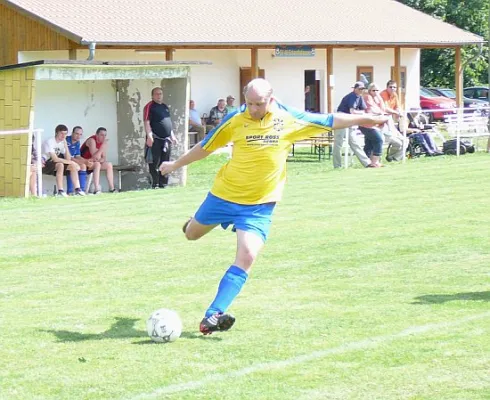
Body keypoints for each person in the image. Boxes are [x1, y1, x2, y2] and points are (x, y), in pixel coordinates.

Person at [159, 78, 388, 335]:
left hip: (259, 205)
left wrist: (363, 118)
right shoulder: (235, 119)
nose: (254, 109)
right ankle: (193, 222)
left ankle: (212, 315)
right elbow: (206, 146)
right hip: (224, 195)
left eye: (259, 104)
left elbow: (328, 121)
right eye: (249, 104)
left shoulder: (287, 118)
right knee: (191, 235)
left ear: (271, 99)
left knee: (247, 256)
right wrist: (175, 164)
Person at [333, 82, 373, 168]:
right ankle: (337, 166)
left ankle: (367, 163)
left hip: (349, 121)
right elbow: (352, 111)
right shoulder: (352, 96)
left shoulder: (360, 97)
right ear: (354, 89)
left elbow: (365, 110)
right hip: (341, 119)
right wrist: (362, 113)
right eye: (360, 89)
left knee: (354, 143)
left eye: (363, 89)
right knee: (338, 144)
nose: (361, 90)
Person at [143, 87, 177, 188]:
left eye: (161, 94)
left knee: (165, 162)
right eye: (157, 94)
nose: (159, 96)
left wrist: (172, 136)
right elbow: (146, 122)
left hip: (166, 139)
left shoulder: (165, 106)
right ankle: (155, 184)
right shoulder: (149, 106)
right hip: (155, 138)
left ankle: (163, 184)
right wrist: (149, 136)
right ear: (152, 96)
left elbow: (168, 123)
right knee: (154, 162)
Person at [41, 124, 85, 197]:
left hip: (54, 163)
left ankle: (77, 189)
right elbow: (55, 159)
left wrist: (65, 145)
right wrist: (72, 162)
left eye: (65, 134)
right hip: (45, 163)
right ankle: (60, 190)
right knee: (60, 165)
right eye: (61, 133)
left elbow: (68, 158)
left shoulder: (62, 142)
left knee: (72, 166)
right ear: (56, 133)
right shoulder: (50, 142)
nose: (63, 136)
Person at [80, 127, 116, 193]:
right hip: (84, 163)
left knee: (109, 165)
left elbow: (104, 157)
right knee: (97, 164)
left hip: (93, 163)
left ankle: (112, 188)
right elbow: (95, 157)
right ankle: (97, 189)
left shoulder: (103, 143)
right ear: (97, 135)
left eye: (105, 135)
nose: (104, 137)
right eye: (102, 135)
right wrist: (102, 147)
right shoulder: (92, 140)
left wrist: (102, 159)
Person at [359, 83, 385, 167]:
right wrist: (380, 112)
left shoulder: (377, 99)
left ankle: (368, 163)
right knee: (378, 140)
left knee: (369, 143)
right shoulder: (367, 97)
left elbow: (382, 109)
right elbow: (372, 110)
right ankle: (375, 162)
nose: (376, 92)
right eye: (374, 90)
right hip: (366, 124)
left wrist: (380, 99)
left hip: (374, 124)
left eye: (377, 90)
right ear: (369, 91)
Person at [66, 126, 89, 194]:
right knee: (73, 166)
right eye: (77, 133)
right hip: (64, 160)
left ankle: (81, 190)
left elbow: (78, 156)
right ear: (72, 133)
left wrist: (86, 161)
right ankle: (70, 191)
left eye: (80, 134)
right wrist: (79, 162)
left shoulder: (77, 142)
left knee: (83, 165)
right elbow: (68, 157)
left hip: (72, 161)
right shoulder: (66, 140)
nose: (78, 136)